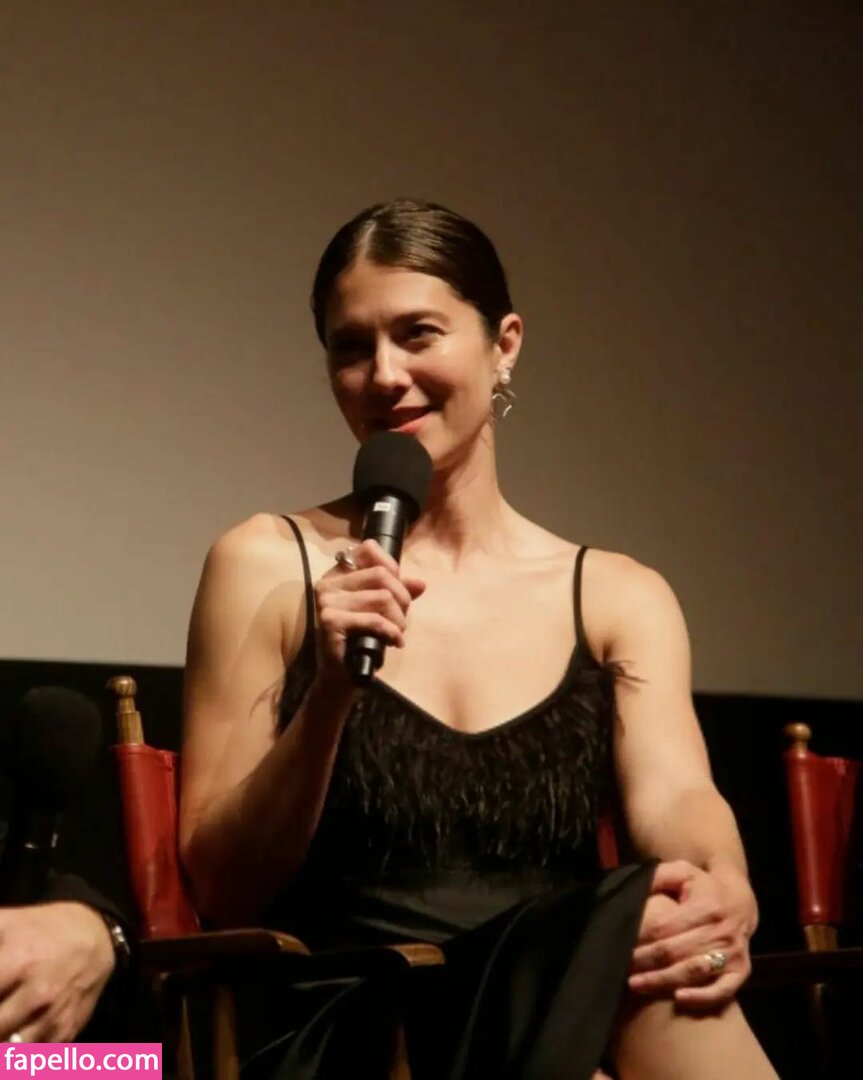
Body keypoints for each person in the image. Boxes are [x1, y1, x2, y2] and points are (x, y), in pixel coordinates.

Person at [179, 199, 778, 1078]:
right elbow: (222, 885)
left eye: (417, 334)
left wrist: (720, 883)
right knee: (626, 945)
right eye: (351, 347)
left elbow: (678, 798)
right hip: (360, 1026)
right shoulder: (266, 562)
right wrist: (331, 695)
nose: (384, 375)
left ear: (504, 344)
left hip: (558, 997)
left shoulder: (617, 594)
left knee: (658, 934)